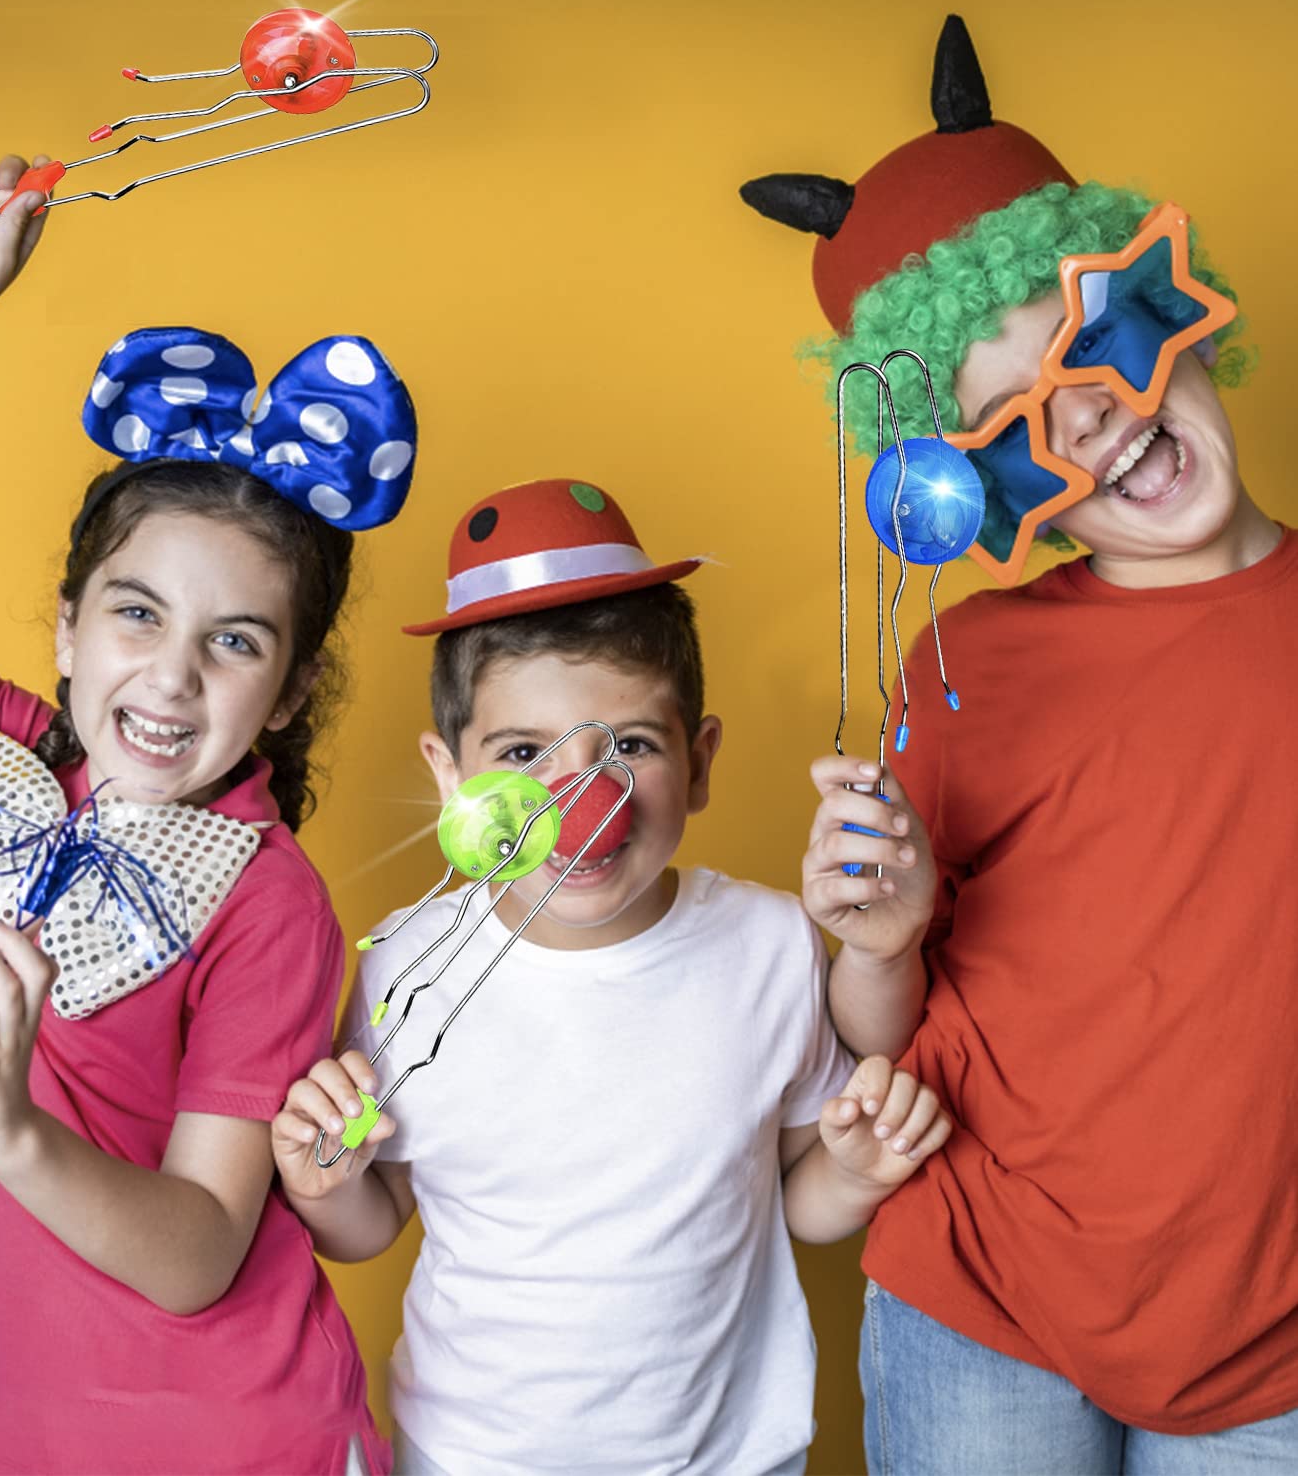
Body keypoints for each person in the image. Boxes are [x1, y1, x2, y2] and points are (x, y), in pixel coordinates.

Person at [0, 156, 418, 1475]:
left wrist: (11, 1128)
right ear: (69, 632)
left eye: (235, 641)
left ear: (297, 688)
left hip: (240, 1441)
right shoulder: (21, 766)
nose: (174, 674)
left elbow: (201, 1253)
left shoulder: (267, 900)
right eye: (137, 614)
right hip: (27, 1431)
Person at [746, 13, 1298, 1474]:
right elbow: (884, 1023)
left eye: (1095, 346)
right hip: (978, 1289)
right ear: (973, 484)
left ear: (1176, 306)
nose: (1094, 420)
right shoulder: (963, 663)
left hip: (1270, 1336)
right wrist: (882, 934)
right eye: (1014, 422)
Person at [271, 478, 952, 1475]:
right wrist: (322, 1185)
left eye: (630, 744)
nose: (583, 799)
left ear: (702, 759)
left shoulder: (771, 946)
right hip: (472, 1454)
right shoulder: (404, 966)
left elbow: (794, 1196)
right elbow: (378, 1218)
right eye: (521, 752)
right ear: (451, 776)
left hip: (728, 1455)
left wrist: (851, 1172)